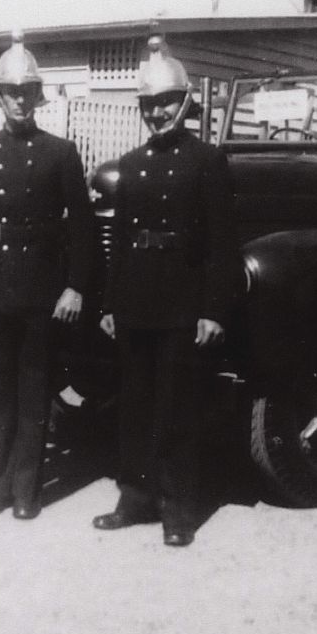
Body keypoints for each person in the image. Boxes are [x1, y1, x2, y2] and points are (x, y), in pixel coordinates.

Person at [93, 35, 241, 547]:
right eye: (149, 106)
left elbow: (222, 244)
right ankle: (135, 500)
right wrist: (111, 303)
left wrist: (214, 310)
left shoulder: (207, 161)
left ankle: (180, 511)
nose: (157, 114)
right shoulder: (131, 165)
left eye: (165, 104)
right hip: (135, 304)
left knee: (177, 411)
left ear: (184, 104)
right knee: (133, 409)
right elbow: (121, 240)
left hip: (182, 305)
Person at [0, 30, 94, 520]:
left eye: (27, 92)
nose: (19, 100)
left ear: (38, 97)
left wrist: (75, 285)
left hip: (41, 293)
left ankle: (28, 491)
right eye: (11, 92)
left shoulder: (61, 153)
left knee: (34, 393)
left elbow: (83, 229)